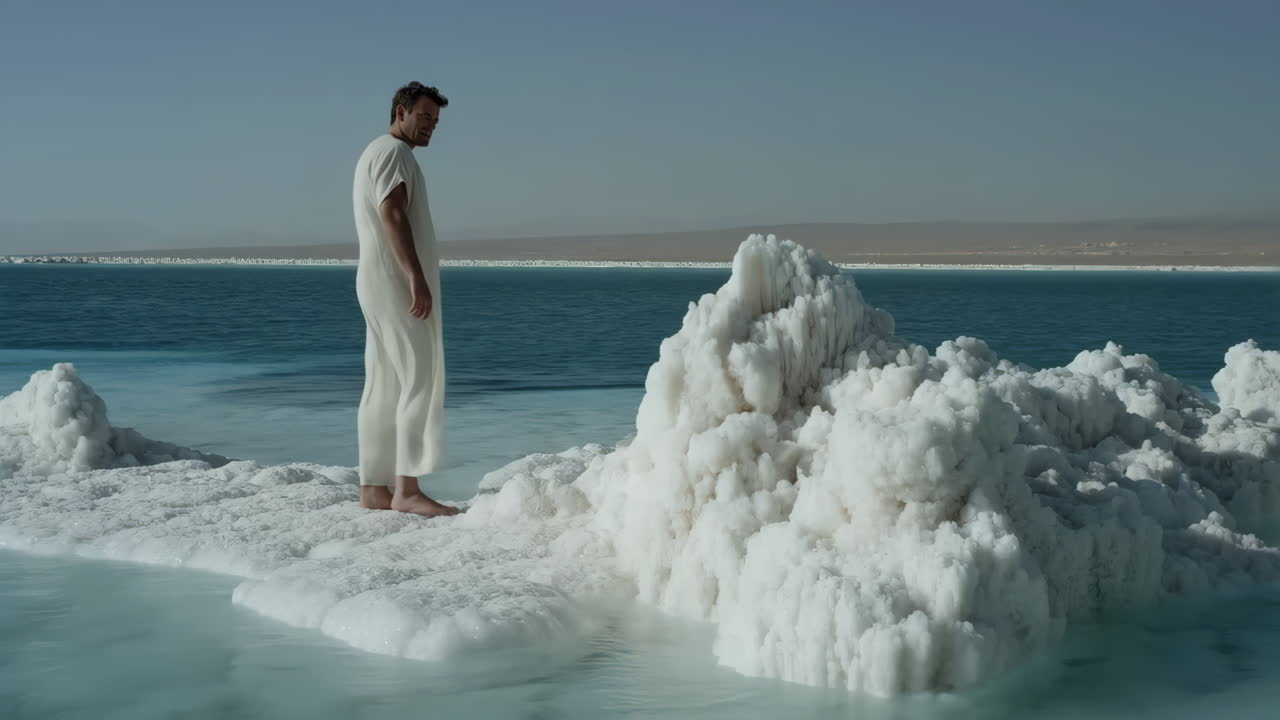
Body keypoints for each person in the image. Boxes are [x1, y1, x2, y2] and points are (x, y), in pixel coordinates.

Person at [351, 81, 458, 516]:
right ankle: (407, 489)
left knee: (384, 383)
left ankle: (373, 488)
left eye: (436, 120)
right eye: (424, 116)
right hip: (394, 283)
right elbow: (392, 213)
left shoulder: (377, 152)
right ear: (401, 112)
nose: (431, 125)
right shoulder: (393, 153)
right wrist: (416, 277)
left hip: (377, 281)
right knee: (418, 377)